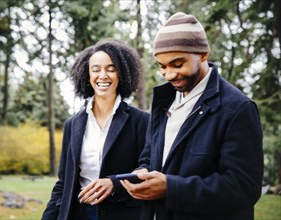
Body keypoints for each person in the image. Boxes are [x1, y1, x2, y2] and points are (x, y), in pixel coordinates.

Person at [120, 12, 264, 220]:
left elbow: (244, 188)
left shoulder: (238, 108)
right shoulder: (163, 102)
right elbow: (149, 156)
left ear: (203, 54)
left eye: (178, 64)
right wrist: (142, 170)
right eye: (162, 67)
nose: (169, 75)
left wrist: (171, 188)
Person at [42, 39, 149, 220]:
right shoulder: (73, 124)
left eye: (111, 68)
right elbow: (64, 182)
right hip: (80, 213)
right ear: (87, 74)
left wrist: (115, 184)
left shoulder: (141, 120)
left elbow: (148, 167)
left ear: (122, 73)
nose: (103, 75)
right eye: (96, 69)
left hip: (124, 214)